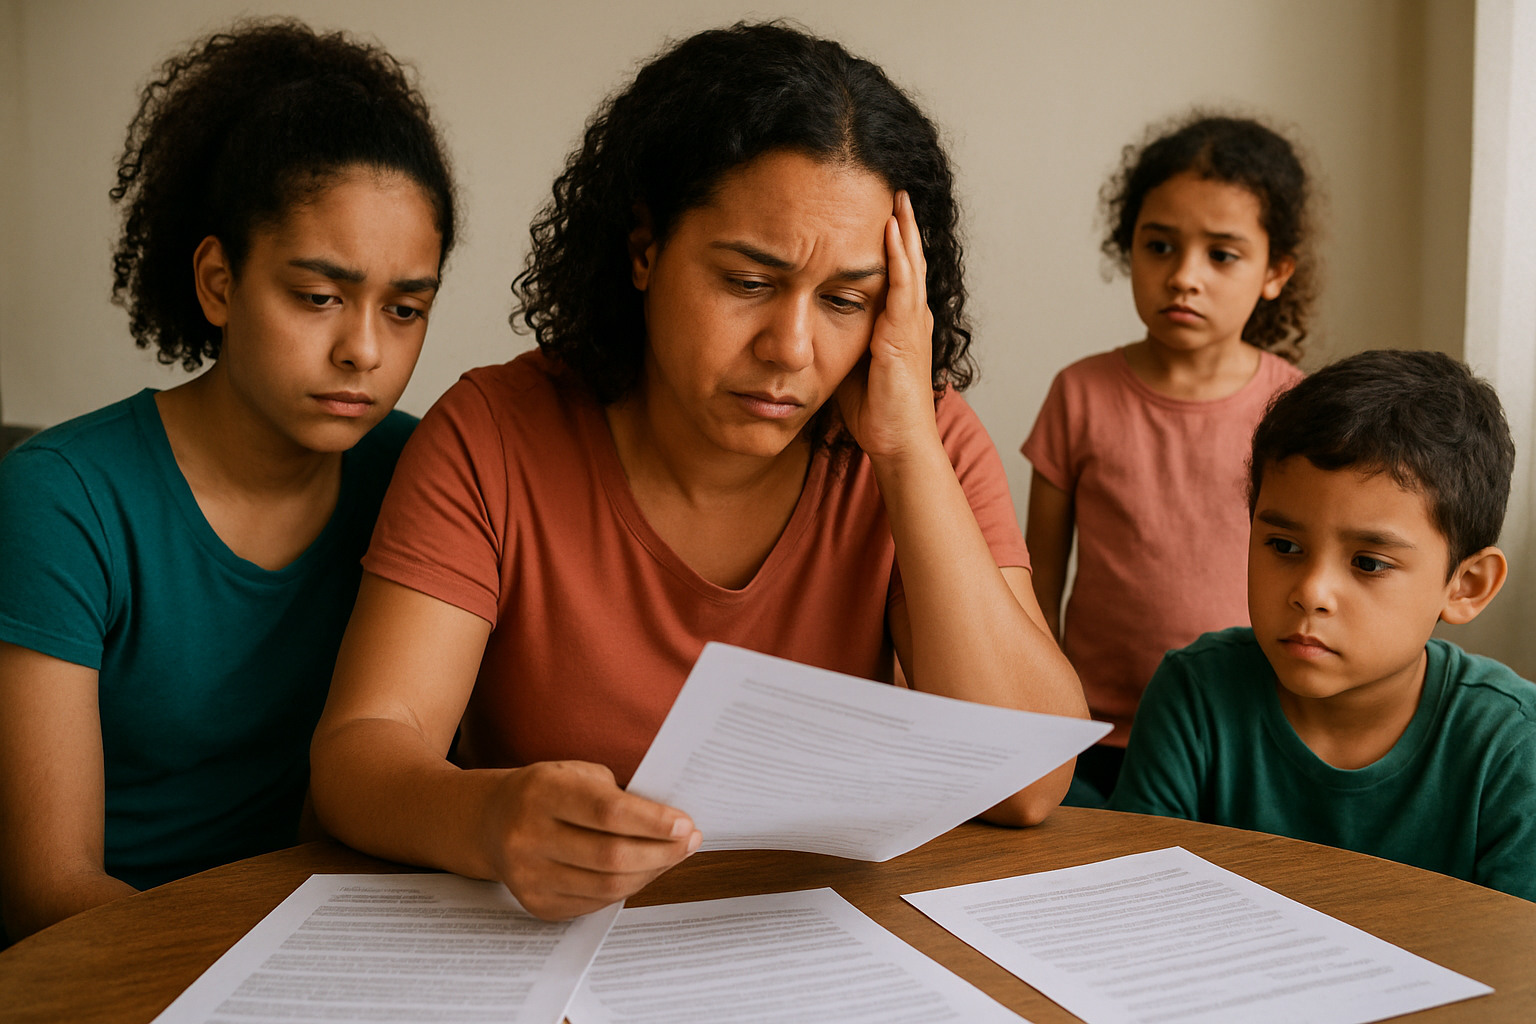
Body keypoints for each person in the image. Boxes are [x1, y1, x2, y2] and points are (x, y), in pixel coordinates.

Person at [310, 21, 1088, 922]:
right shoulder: (493, 434)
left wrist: (909, 450)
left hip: (807, 944)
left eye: (846, 300)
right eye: (748, 283)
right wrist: (488, 818)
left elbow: (1029, 785)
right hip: (552, 942)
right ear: (644, 249)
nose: (791, 347)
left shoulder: (921, 439)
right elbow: (364, 747)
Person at [0, 19, 457, 939]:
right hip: (114, 959)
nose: (364, 350)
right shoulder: (60, 499)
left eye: (406, 309)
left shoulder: (421, 474)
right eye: (319, 297)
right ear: (218, 282)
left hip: (330, 941)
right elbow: (47, 891)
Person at [1110, 350, 1536, 901]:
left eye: (1369, 563)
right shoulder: (1195, 695)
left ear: (1466, 585)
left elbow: (1516, 948)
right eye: (1284, 546)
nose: (1311, 592)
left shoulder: (1512, 744)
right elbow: (1134, 905)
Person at [1021, 115, 1315, 803]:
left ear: (1275, 271)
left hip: (1238, 733)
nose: (1184, 277)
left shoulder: (1297, 410)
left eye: (1222, 255)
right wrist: (1036, 718)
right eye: (1159, 246)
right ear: (1129, 249)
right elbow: (1036, 583)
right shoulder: (1079, 394)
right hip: (1091, 737)